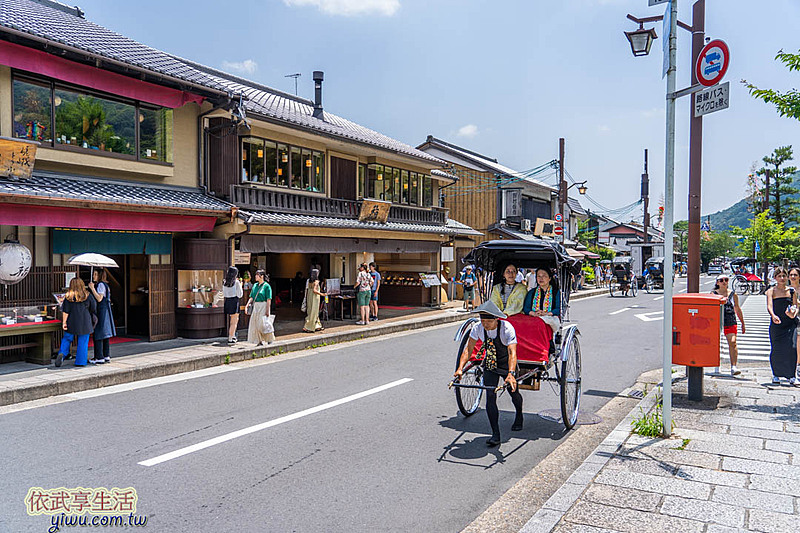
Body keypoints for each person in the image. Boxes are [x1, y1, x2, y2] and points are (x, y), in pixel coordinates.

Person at [454, 300, 522, 447]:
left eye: (488, 321)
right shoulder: (478, 328)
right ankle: (495, 434)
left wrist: (510, 373)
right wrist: (460, 368)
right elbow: (469, 349)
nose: (485, 324)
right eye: (482, 320)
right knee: (490, 395)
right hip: (491, 363)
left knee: (513, 392)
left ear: (496, 319)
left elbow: (512, 352)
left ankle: (519, 414)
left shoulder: (506, 328)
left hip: (506, 363)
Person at [766, 267, 798, 385]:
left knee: (792, 347)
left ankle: (791, 375)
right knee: (777, 348)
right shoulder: (771, 291)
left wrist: (793, 314)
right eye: (779, 276)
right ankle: (776, 374)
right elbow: (769, 306)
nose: (782, 278)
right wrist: (773, 315)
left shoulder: (791, 291)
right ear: (775, 278)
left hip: (790, 322)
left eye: (784, 276)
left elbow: (795, 306)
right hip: (777, 323)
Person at [55, 277, 97, 367]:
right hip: (85, 321)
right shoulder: (87, 295)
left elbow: (65, 311)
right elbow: (93, 308)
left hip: (72, 321)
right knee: (83, 341)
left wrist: (64, 323)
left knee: (67, 338)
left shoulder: (68, 296)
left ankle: (62, 353)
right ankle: (80, 362)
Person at [711, 274, 745, 376]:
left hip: (730, 318)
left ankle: (733, 366)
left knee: (733, 342)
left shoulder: (733, 294)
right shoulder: (713, 294)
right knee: (716, 343)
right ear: (717, 282)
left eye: (726, 280)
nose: (724, 282)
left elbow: (737, 308)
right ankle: (716, 365)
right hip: (717, 319)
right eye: (721, 280)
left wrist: (742, 322)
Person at [88, 269, 116, 364]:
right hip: (106, 310)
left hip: (101, 311)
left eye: (95, 274)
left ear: (99, 275)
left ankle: (99, 357)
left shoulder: (100, 285)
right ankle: (106, 355)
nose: (93, 276)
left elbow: (99, 298)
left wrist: (92, 288)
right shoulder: (106, 285)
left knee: (99, 333)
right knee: (105, 333)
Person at [245, 270, 274, 346]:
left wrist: (267, 310)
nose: (255, 276)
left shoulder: (267, 286)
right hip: (256, 306)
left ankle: (269, 338)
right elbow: (252, 296)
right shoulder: (255, 285)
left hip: (263, 305)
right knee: (255, 323)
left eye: (257, 275)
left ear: (262, 276)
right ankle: (259, 340)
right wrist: (247, 304)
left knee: (263, 324)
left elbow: (268, 299)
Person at [223, 266, 244, 344]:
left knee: (232, 321)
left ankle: (232, 336)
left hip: (227, 301)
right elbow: (240, 294)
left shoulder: (225, 281)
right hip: (234, 301)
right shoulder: (237, 282)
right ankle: (231, 338)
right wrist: (241, 285)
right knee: (234, 322)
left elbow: (224, 293)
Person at [789, 267, 800, 380]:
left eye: (795, 275)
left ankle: (797, 365)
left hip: (798, 318)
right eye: (791, 275)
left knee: (798, 341)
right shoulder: (786, 289)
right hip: (789, 319)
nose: (793, 277)